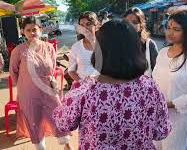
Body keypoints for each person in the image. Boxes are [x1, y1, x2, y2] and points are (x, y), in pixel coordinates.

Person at [53, 19, 172, 149]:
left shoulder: (83, 89)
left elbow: (63, 123)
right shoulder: (150, 87)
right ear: (135, 49)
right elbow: (162, 131)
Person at [9, 16, 72, 150]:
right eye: (28, 30)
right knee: (34, 121)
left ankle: (66, 145)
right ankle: (40, 147)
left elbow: (53, 68)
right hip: (29, 93)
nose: (32, 33)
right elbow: (13, 72)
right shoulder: (18, 51)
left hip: (48, 90)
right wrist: (24, 85)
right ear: (23, 32)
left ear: (40, 30)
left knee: (58, 116)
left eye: (35, 29)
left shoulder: (49, 47)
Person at [152, 10, 187, 150]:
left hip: (181, 121)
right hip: (157, 117)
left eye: (176, 29)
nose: (170, 33)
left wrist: (169, 104)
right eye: (169, 28)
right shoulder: (162, 53)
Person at [68, 11, 100, 89]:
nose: (85, 28)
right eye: (82, 25)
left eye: (88, 24)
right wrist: (83, 83)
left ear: (96, 26)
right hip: (81, 87)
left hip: (102, 88)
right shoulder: (76, 47)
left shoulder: (105, 46)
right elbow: (71, 70)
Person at [123, 7, 158, 77]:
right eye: (127, 22)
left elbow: (157, 73)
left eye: (134, 22)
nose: (130, 25)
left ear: (141, 25)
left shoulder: (149, 45)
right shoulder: (116, 43)